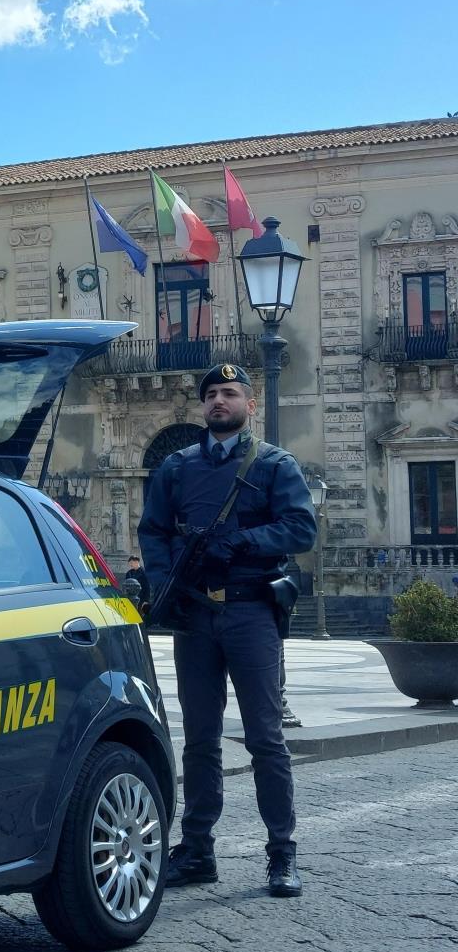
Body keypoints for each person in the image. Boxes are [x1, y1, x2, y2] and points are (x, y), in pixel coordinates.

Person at [139, 361, 315, 900]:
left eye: (231, 393)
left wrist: (242, 542)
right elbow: (153, 531)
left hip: (249, 611)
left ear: (249, 405)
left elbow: (301, 527)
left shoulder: (274, 465)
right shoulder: (176, 467)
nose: (220, 401)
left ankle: (281, 854)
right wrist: (168, 581)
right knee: (199, 739)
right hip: (195, 616)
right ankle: (197, 851)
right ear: (203, 404)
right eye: (212, 393)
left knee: (265, 737)